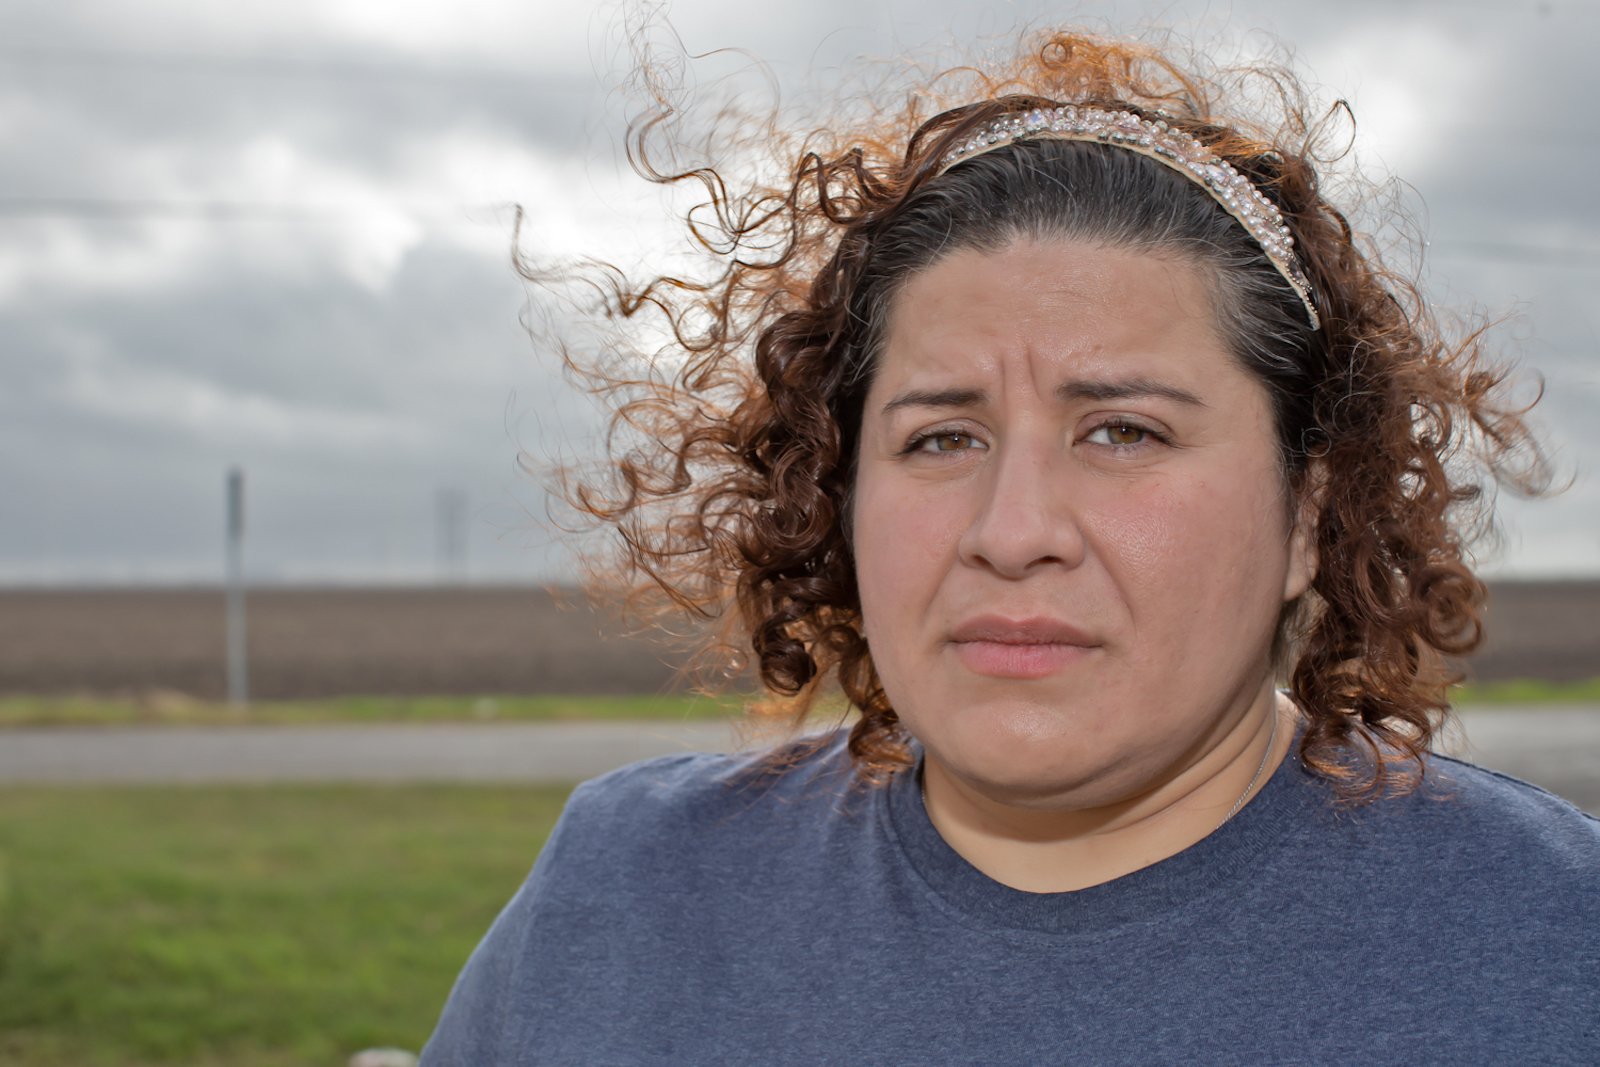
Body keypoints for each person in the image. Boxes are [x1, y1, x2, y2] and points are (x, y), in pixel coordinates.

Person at [422, 29, 1599, 1065]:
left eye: (1123, 430)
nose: (1013, 530)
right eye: (941, 437)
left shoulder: (1554, 946)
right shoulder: (624, 891)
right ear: (837, 492)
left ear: (1306, 514)